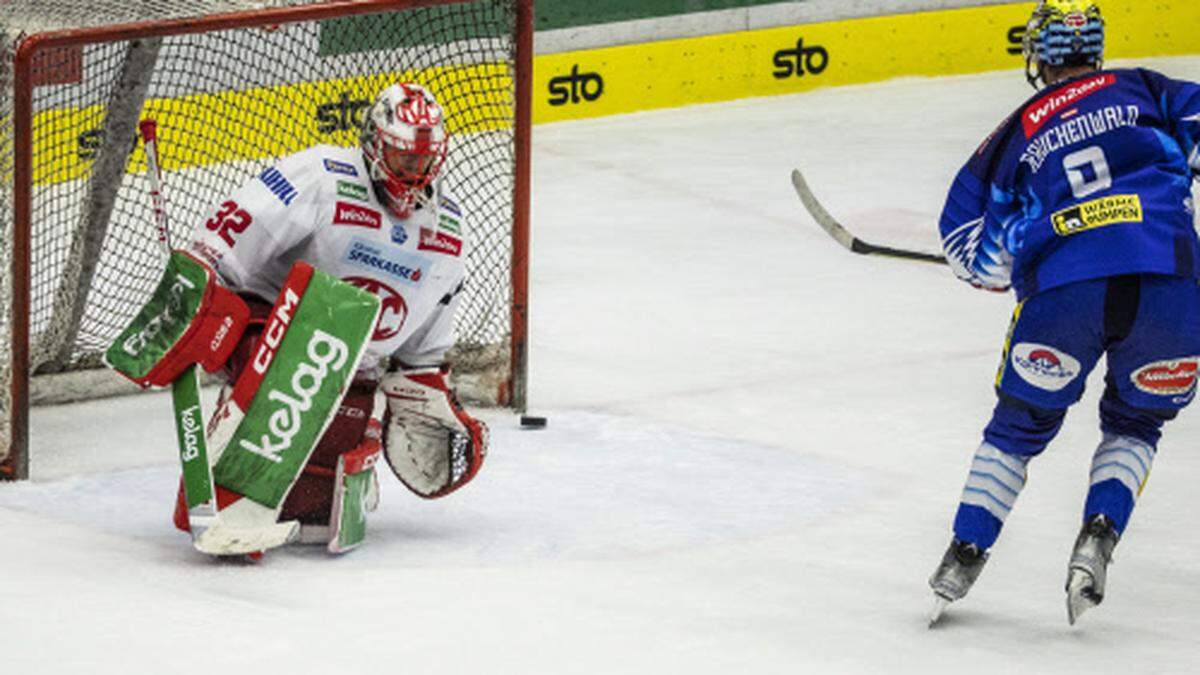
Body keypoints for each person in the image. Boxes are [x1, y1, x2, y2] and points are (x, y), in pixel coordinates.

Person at [928, 0, 1200, 625]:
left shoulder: (1017, 129)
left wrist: (1020, 258)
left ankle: (963, 555)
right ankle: (1099, 537)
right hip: (1171, 285)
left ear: (1039, 55)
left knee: (1019, 425)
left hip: (1064, 293)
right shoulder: (1147, 90)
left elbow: (966, 243)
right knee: (1136, 424)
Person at [175, 81, 488, 552]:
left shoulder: (447, 229)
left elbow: (423, 345)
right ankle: (231, 489)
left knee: (313, 502)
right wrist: (200, 273)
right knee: (297, 364)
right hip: (265, 332)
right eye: (404, 158)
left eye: (424, 162)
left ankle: (296, 495)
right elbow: (237, 227)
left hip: (348, 368)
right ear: (374, 144)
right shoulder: (324, 174)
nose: (414, 173)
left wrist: (425, 385)